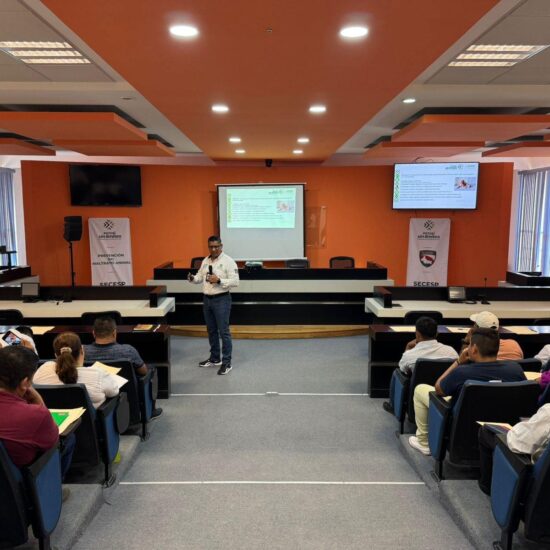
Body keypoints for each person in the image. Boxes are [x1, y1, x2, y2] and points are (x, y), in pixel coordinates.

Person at [409, 327, 526, 455]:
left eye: (469, 344)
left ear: (474, 349)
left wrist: (458, 362)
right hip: (503, 428)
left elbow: (438, 389)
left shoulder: (461, 372)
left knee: (420, 389)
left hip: (462, 424)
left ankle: (424, 443)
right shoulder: (515, 369)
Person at [0, 346, 75, 479]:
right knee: (68, 439)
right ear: (25, 383)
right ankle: (53, 488)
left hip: (5, 483)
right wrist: (38, 401)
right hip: (23, 480)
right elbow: (53, 441)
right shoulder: (35, 414)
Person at [83, 317, 162, 417]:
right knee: (151, 369)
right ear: (114, 333)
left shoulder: (83, 352)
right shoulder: (128, 351)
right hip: (128, 396)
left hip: (95, 399)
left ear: (93, 333)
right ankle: (151, 410)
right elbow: (144, 372)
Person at [382, 316, 458, 413]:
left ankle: (393, 406)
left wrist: (407, 347)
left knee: (397, 373)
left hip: (417, 393)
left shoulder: (410, 355)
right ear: (437, 333)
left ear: (417, 334)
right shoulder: (451, 352)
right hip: (445, 392)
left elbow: (402, 370)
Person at [187, 235, 239, 375]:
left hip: (222, 299)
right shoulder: (205, 260)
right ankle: (215, 358)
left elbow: (235, 281)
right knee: (211, 330)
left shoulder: (228, 261)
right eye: (211, 247)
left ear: (221, 246)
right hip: (207, 300)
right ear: (208, 247)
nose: (214, 249)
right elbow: (200, 277)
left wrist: (219, 280)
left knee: (224, 332)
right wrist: (193, 278)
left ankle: (227, 362)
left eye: (216, 246)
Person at [33, 332, 119, 409]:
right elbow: (114, 392)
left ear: (56, 355)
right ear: (82, 351)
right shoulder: (97, 375)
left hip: (51, 420)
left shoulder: (43, 369)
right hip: (89, 422)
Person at [478, 404, 550, 495]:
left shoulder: (548, 412)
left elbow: (516, 443)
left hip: (535, 473)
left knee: (485, 432)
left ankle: (486, 485)